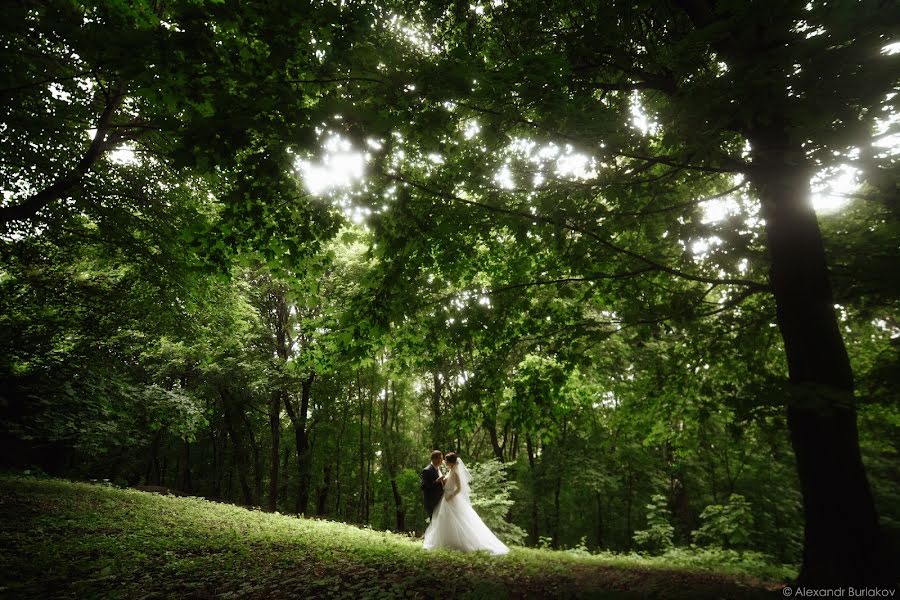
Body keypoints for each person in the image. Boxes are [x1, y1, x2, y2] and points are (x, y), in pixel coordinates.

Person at [423, 452, 509, 555]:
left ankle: (459, 542)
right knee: (444, 520)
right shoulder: (450, 471)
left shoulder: (455, 473)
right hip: (445, 499)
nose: (444, 462)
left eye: (446, 460)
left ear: (451, 462)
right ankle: (447, 541)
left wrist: (450, 496)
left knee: (457, 520)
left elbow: (459, 489)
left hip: (451, 499)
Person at [420, 450, 445, 519]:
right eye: (440, 458)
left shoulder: (439, 469)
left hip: (440, 501)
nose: (442, 460)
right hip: (432, 502)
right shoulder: (427, 470)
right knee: (434, 524)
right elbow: (423, 486)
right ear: (434, 459)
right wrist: (436, 482)